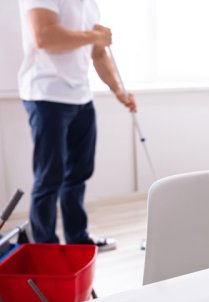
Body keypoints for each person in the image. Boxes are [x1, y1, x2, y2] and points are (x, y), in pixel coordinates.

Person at [18, 0, 137, 249]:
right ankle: (45, 248)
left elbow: (97, 52)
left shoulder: (89, 4)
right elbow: (45, 36)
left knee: (78, 174)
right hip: (46, 95)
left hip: (81, 98)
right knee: (50, 176)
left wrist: (118, 90)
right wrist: (94, 35)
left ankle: (78, 240)